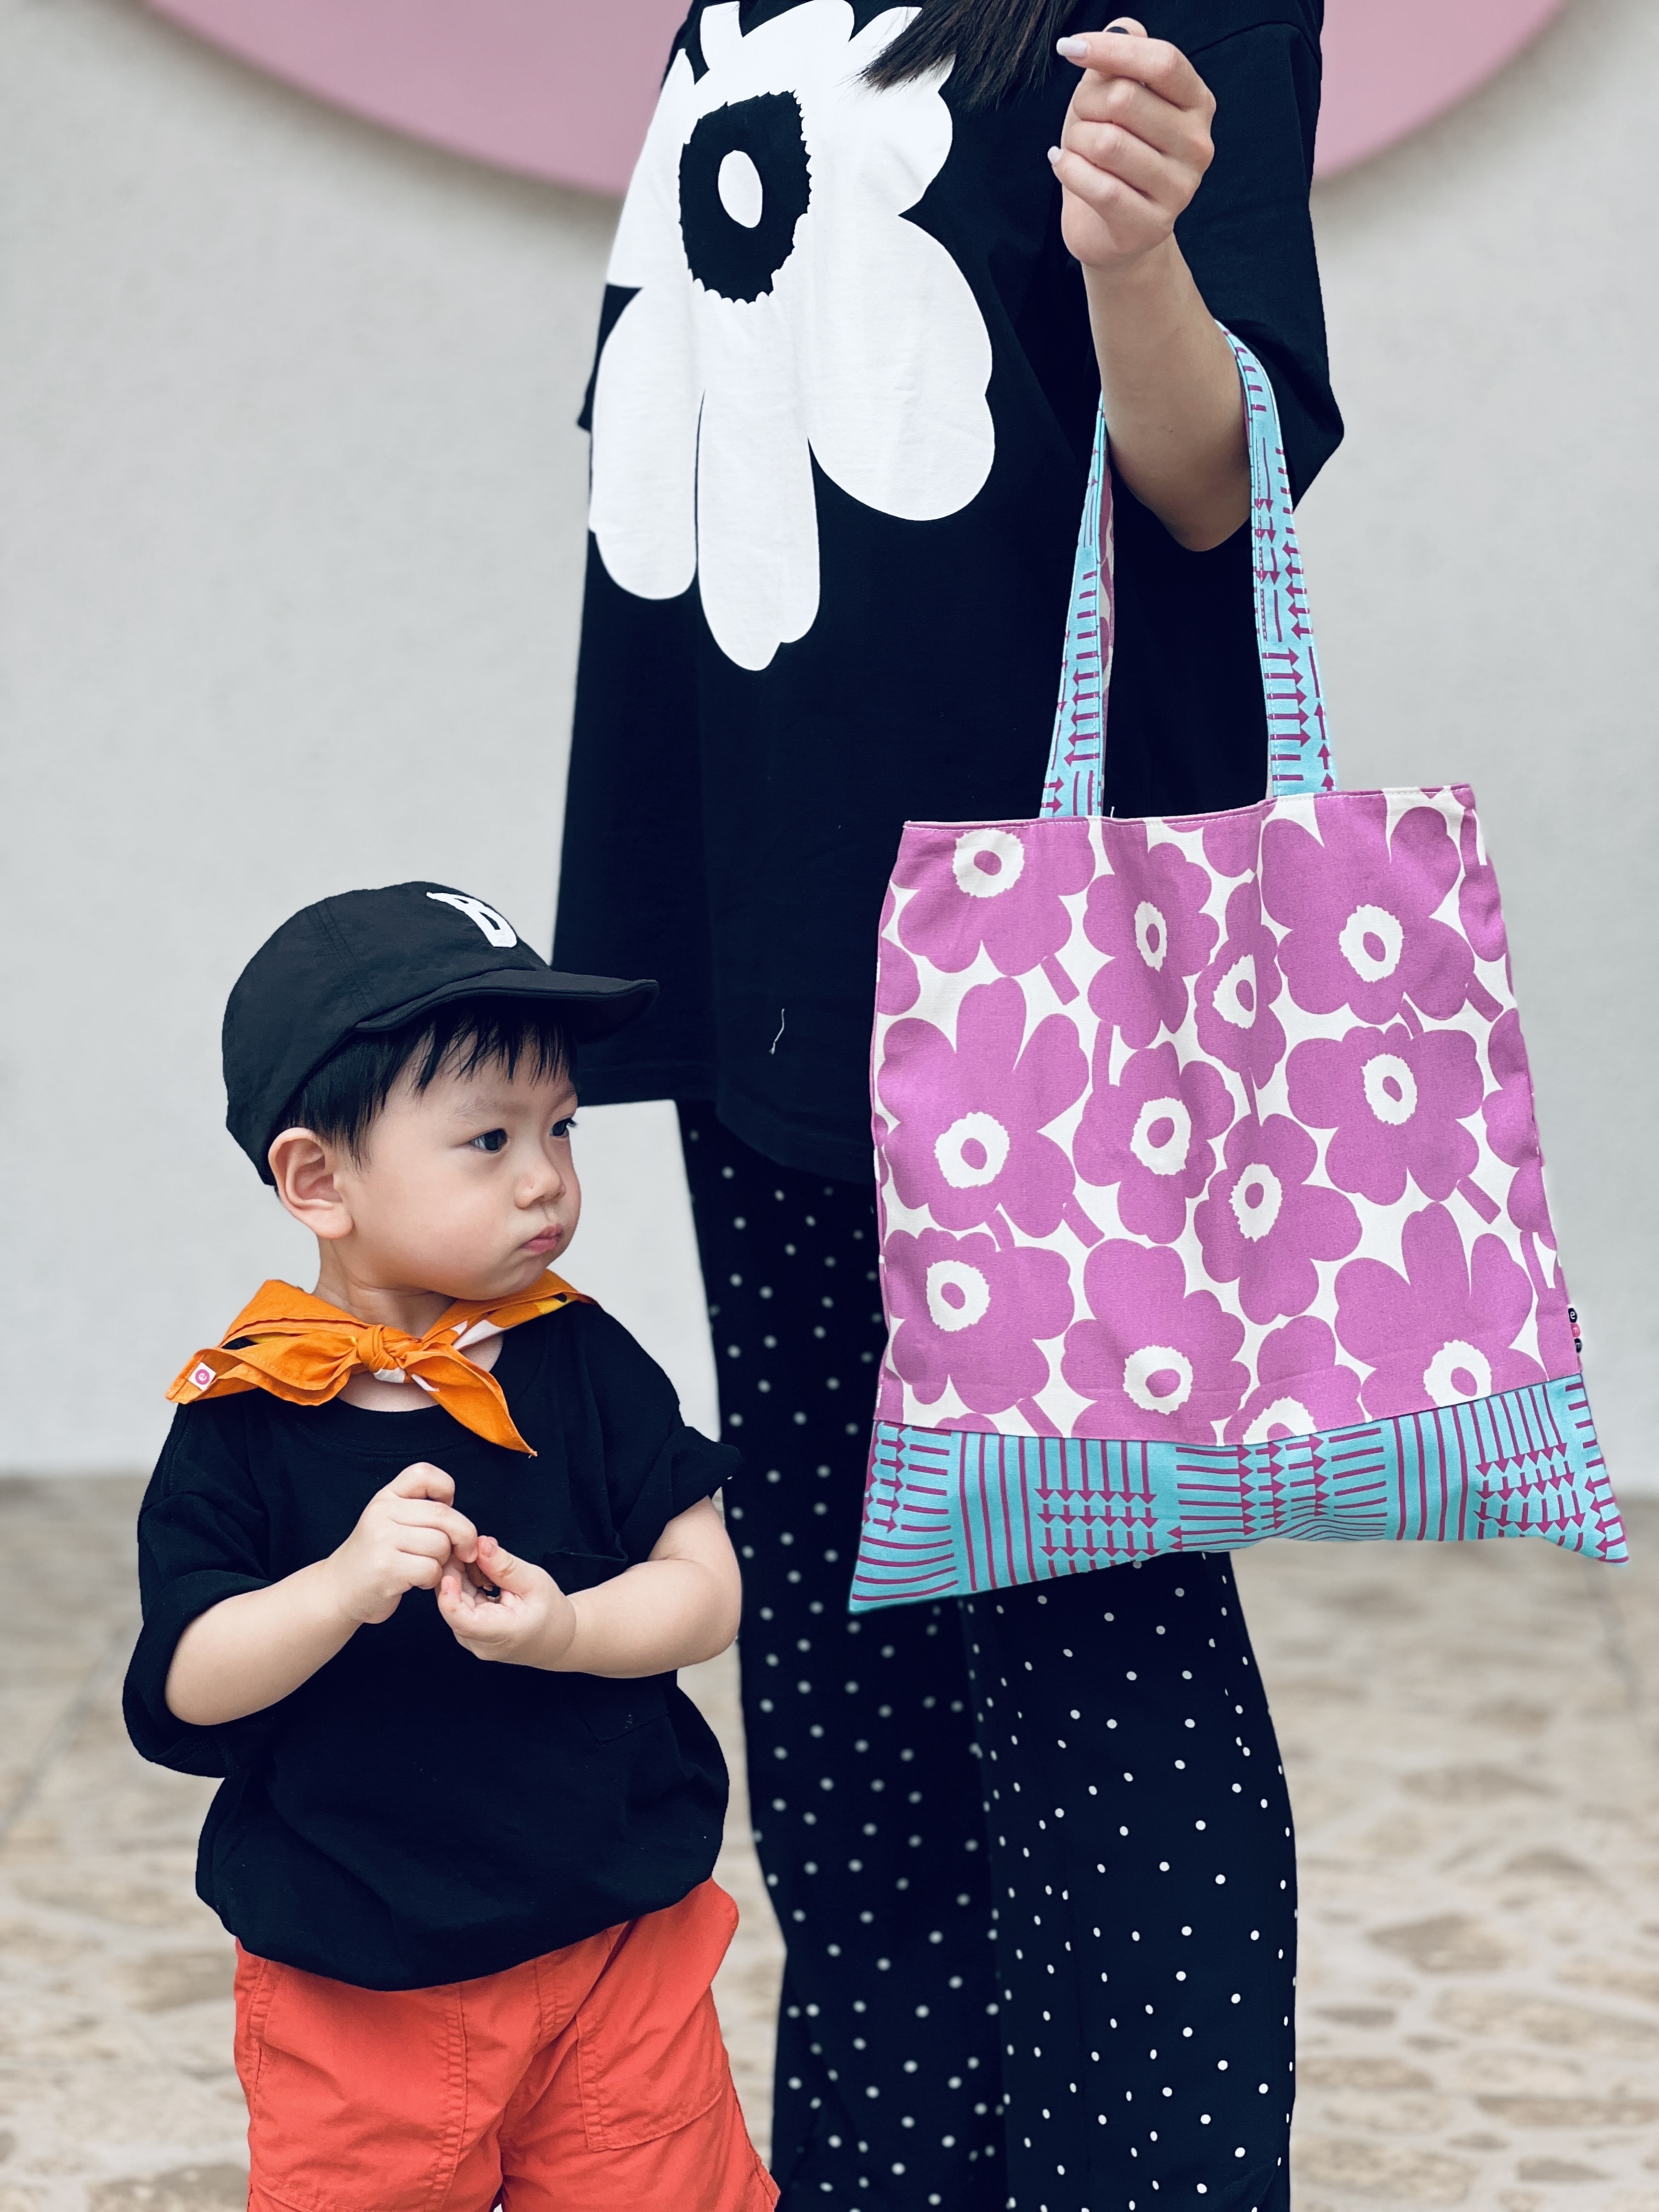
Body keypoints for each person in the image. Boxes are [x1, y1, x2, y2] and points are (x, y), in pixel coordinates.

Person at [554, 3, 1341, 2206]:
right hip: (754, 920)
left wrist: (1137, 258)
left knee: (1092, 1657)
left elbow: (1214, 474)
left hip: (1026, 956)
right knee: (837, 1670)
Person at [122, 881, 777, 2212]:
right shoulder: (243, 1421)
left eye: (560, 1127)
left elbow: (707, 1587)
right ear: (320, 1180)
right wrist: (336, 1591)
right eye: (487, 1138)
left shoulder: (583, 1362)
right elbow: (189, 1680)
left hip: (614, 1944)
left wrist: (573, 1629)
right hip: (358, 1979)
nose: (547, 1176)